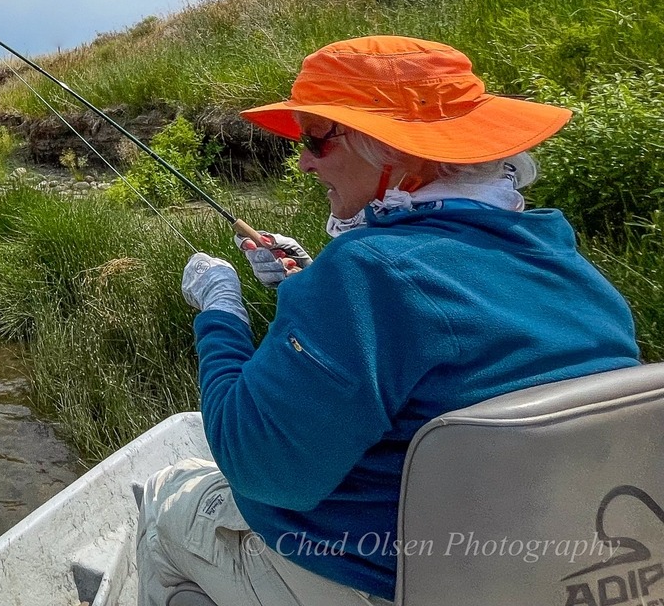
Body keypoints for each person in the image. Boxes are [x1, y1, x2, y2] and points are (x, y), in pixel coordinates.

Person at [136, 35, 640, 606]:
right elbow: (437, 328)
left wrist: (220, 311)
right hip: (531, 573)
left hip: (371, 578)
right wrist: (307, 285)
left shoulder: (363, 273)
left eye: (316, 138)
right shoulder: (567, 264)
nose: (302, 160)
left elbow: (258, 468)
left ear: (389, 147)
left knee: (164, 498)